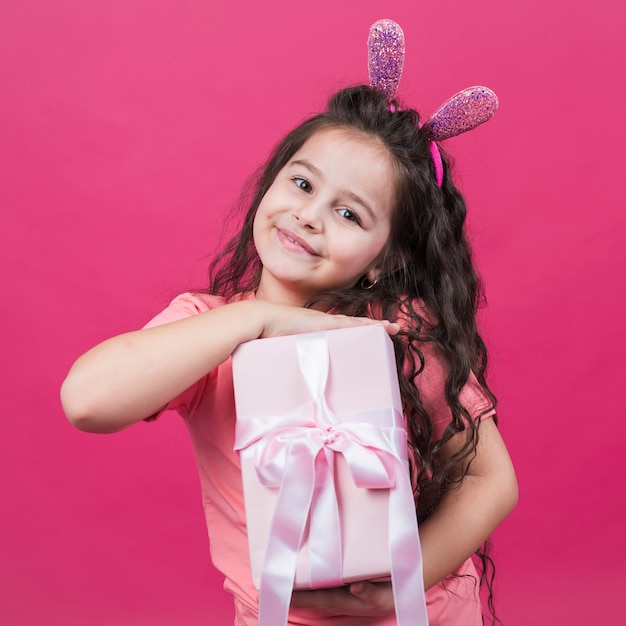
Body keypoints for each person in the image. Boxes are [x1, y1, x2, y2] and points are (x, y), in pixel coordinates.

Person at [61, 76, 517, 625]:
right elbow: (86, 401)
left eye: (349, 214)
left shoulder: (398, 331)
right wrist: (257, 318)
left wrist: (408, 576)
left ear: (384, 259)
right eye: (302, 185)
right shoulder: (212, 329)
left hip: (428, 613)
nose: (308, 215)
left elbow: (486, 477)